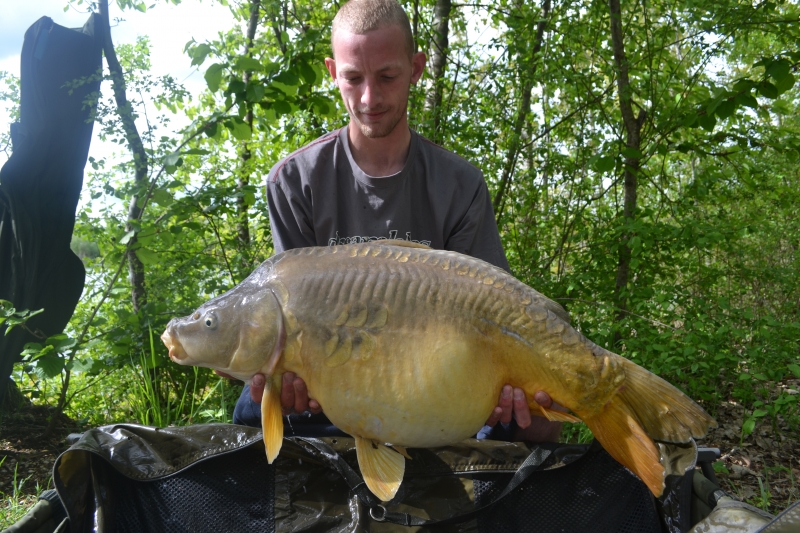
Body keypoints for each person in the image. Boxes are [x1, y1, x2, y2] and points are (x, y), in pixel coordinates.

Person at [230, 0, 562, 443]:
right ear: (333, 71)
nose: (369, 98)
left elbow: (493, 316)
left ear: (416, 68)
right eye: (353, 77)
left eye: (386, 76)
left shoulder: (459, 184)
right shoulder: (294, 182)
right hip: (337, 387)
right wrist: (287, 376)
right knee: (253, 409)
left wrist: (504, 385)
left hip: (435, 382)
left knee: (537, 421)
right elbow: (290, 321)